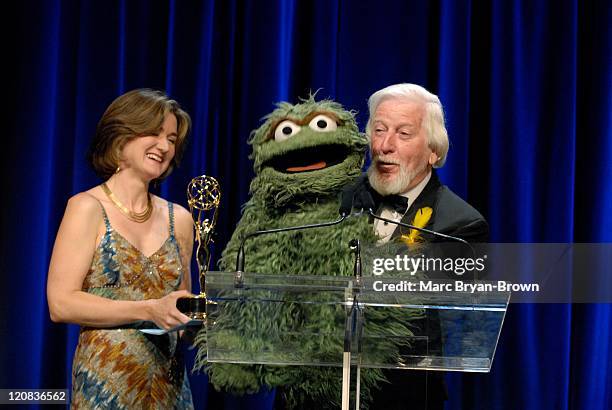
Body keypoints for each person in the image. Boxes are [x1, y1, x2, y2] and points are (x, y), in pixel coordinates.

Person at [47, 89, 195, 409]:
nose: (165, 146)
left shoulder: (180, 219)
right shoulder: (86, 207)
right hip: (106, 384)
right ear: (120, 136)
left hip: (169, 387)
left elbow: (182, 311)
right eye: (154, 133)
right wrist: (148, 310)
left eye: (171, 138)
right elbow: (61, 303)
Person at [345, 83, 488, 409]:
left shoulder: (460, 225)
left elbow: (440, 322)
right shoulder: (339, 203)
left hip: (401, 395)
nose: (384, 145)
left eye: (403, 134)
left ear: (434, 150)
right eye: (378, 130)